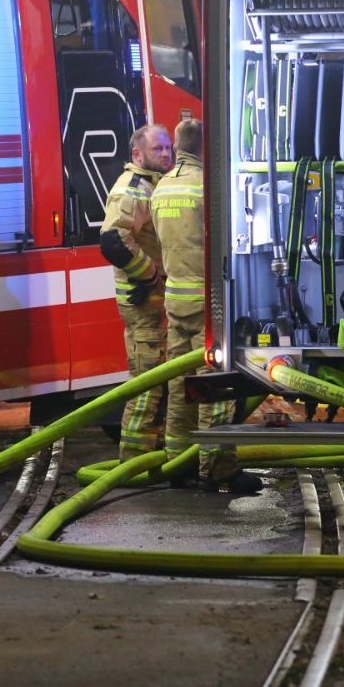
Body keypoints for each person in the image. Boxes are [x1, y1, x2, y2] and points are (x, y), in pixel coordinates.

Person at [152, 118, 262, 494]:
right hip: (206, 302)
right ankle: (218, 469)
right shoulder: (207, 188)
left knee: (178, 386)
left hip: (175, 300)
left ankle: (177, 464)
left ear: (177, 147)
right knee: (213, 389)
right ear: (205, 146)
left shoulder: (162, 187)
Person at [101, 124, 173, 462]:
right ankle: (134, 459)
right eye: (158, 148)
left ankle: (156, 454)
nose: (166, 153)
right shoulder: (132, 189)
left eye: (169, 147)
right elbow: (113, 240)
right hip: (144, 303)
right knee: (147, 384)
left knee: (161, 380)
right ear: (137, 155)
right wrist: (149, 275)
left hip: (156, 303)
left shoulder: (155, 185)